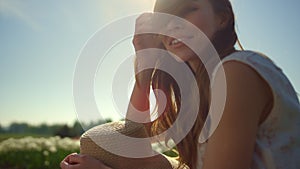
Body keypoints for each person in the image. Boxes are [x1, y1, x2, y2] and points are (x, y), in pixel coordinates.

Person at [61, 0, 300, 169]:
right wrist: (146, 61)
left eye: (187, 9)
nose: (173, 24)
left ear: (222, 18)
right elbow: (128, 141)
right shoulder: (195, 89)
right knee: (101, 147)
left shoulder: (236, 72)